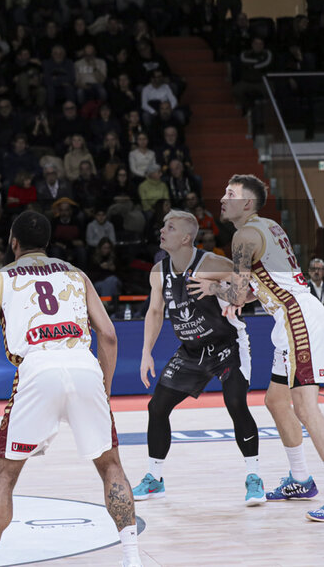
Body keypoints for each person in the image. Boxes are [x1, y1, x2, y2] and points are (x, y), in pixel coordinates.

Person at [0, 211, 141, 567]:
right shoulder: (76, 274)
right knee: (111, 466)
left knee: (3, 475)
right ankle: (132, 556)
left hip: (36, 368)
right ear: (47, 244)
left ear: (13, 242)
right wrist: (104, 391)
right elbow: (108, 335)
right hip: (83, 363)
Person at [189, 175, 324, 521]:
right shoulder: (268, 227)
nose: (223, 197)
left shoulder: (244, 235)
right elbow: (255, 289)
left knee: (307, 409)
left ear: (246, 203)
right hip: (289, 317)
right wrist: (229, 290)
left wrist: (211, 284)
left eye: (230, 194)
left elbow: (236, 294)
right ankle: (301, 480)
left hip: (298, 318)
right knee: (276, 401)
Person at [133, 210, 264, 505]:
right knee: (157, 407)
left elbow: (253, 289)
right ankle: (155, 478)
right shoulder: (159, 271)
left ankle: (254, 477)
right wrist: (145, 353)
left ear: (185, 238)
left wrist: (224, 292)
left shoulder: (211, 263)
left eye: (170, 227)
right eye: (163, 225)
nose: (162, 230)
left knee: (235, 403)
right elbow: (155, 312)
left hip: (227, 345)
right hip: (191, 351)